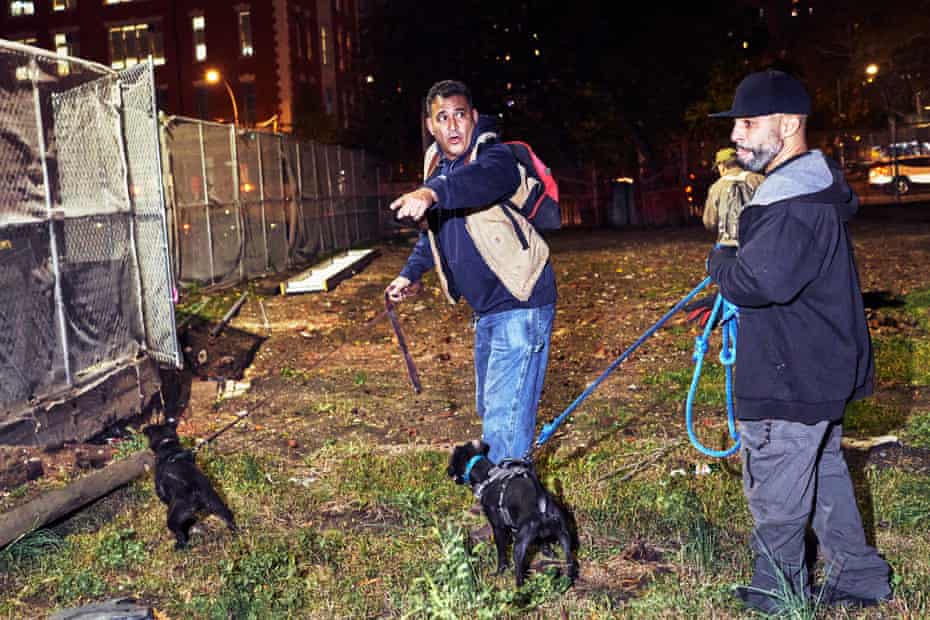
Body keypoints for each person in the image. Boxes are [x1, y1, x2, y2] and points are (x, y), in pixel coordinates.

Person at [706, 70, 892, 613]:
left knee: (779, 488)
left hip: (792, 374)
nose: (737, 134)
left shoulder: (792, 201)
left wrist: (722, 261)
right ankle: (857, 576)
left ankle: (778, 591)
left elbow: (760, 282)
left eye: (748, 122)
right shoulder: (809, 189)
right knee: (824, 472)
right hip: (817, 366)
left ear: (788, 124)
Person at [386, 80, 557, 465]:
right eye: (442, 118)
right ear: (431, 126)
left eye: (460, 115)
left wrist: (432, 192)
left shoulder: (493, 158)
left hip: (522, 302)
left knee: (505, 419)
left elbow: (476, 185)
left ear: (473, 118)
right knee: (492, 407)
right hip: (487, 312)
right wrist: (410, 274)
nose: (452, 126)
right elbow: (436, 231)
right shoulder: (439, 167)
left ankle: (510, 518)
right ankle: (506, 501)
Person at [702, 146, 764, 246]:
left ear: (722, 166)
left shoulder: (716, 188)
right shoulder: (759, 180)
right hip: (757, 244)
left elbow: (710, 222)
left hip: (728, 247)